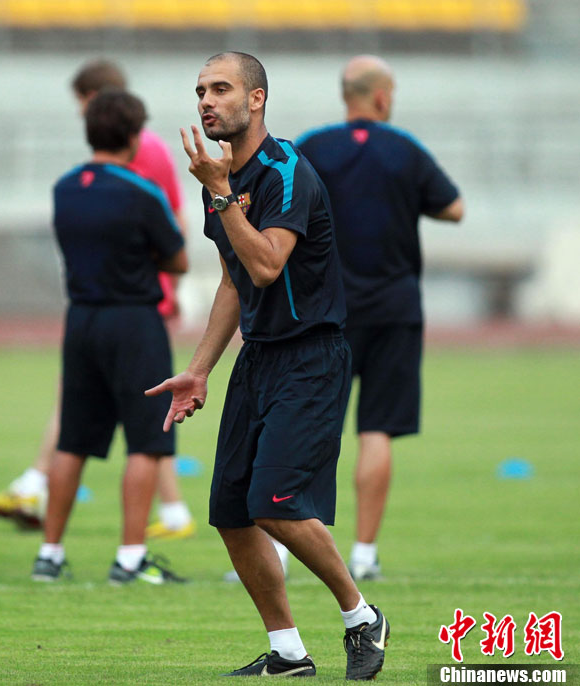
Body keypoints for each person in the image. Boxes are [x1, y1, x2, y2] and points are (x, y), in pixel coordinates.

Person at [146, 52, 389, 679]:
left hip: (312, 356)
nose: (206, 101)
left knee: (275, 503)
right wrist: (200, 368)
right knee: (231, 511)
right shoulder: (222, 179)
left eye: (221, 88)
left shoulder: (285, 172)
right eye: (200, 90)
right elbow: (233, 280)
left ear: (256, 99)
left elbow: (265, 266)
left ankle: (362, 617)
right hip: (258, 359)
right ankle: (288, 652)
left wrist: (222, 194)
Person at [0, 59, 196, 541]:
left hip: (118, 304)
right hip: (126, 304)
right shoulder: (129, 167)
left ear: (97, 104)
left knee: (123, 418)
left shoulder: (103, 171)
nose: (80, 113)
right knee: (144, 421)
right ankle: (154, 524)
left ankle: (42, 500)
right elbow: (165, 229)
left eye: (82, 104)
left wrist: (169, 288)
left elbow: (163, 220)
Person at [295, 55, 464, 581]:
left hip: (328, 311)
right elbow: (454, 208)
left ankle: (282, 551)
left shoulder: (313, 147)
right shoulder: (404, 149)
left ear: (345, 94)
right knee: (377, 431)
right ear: (383, 96)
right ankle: (364, 555)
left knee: (308, 429)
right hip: (394, 309)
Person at [30, 89, 188, 585]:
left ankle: (50, 553)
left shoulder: (65, 187)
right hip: (134, 321)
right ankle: (130, 557)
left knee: (72, 441)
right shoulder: (142, 191)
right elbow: (178, 258)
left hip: (81, 321)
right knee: (146, 441)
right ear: (135, 136)